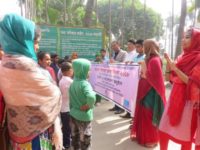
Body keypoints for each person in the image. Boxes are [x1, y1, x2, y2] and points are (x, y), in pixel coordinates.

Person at [0, 14, 62, 150]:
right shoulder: (32, 68)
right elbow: (55, 96)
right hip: (39, 135)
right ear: (23, 41)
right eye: (34, 42)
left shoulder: (3, 65)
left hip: (15, 134)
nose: (37, 47)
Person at [159, 28, 200, 150]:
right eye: (183, 37)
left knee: (185, 136)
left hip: (189, 102)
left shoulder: (198, 58)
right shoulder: (182, 57)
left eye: (187, 37)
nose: (183, 40)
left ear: (197, 40)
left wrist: (175, 68)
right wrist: (169, 65)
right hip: (175, 99)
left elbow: (192, 82)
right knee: (163, 129)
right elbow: (169, 79)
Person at [130, 39, 166, 148]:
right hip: (145, 91)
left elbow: (149, 77)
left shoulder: (154, 60)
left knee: (148, 115)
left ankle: (151, 140)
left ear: (149, 47)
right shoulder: (149, 59)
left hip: (150, 93)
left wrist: (143, 67)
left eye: (145, 46)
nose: (143, 48)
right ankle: (144, 137)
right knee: (144, 114)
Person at [69, 58, 96, 150]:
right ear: (82, 70)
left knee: (75, 137)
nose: (89, 72)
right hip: (84, 116)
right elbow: (91, 96)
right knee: (85, 140)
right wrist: (89, 105)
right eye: (88, 70)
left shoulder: (73, 83)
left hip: (73, 114)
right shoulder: (84, 84)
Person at [109, 41, 127, 114]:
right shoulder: (113, 54)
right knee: (115, 91)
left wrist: (114, 62)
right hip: (114, 75)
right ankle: (116, 106)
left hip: (121, 76)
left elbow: (124, 63)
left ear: (119, 45)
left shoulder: (124, 53)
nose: (113, 47)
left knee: (120, 92)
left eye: (115, 45)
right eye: (112, 46)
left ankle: (121, 108)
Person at [59, 62, 73, 149]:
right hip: (67, 108)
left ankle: (66, 142)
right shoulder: (70, 81)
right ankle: (66, 143)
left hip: (63, 107)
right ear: (69, 71)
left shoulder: (62, 80)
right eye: (72, 69)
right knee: (67, 128)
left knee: (65, 127)